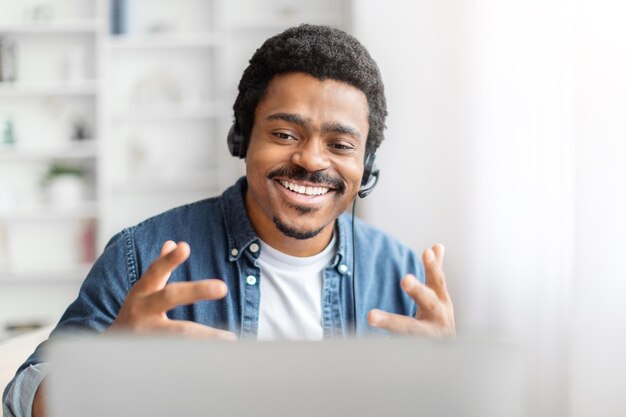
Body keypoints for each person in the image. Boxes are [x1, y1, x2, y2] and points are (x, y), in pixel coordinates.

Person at [3, 24, 455, 417]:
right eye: (284, 134)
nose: (311, 159)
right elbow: (23, 404)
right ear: (243, 138)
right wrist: (106, 364)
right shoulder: (141, 257)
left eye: (340, 144)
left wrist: (447, 383)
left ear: (367, 165)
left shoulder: (401, 276)